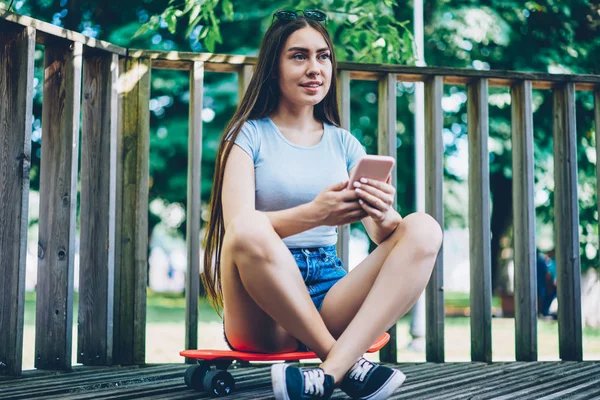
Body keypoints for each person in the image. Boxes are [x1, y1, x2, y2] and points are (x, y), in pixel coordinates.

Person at [201, 8, 443, 400]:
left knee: (424, 227)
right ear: (273, 68)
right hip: (261, 304)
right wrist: (316, 214)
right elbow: (240, 231)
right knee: (247, 227)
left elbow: (385, 237)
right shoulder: (246, 137)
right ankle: (344, 365)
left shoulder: (344, 144)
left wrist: (383, 215)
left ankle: (324, 376)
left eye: (323, 56)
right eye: (299, 56)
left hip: (328, 290)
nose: (315, 68)